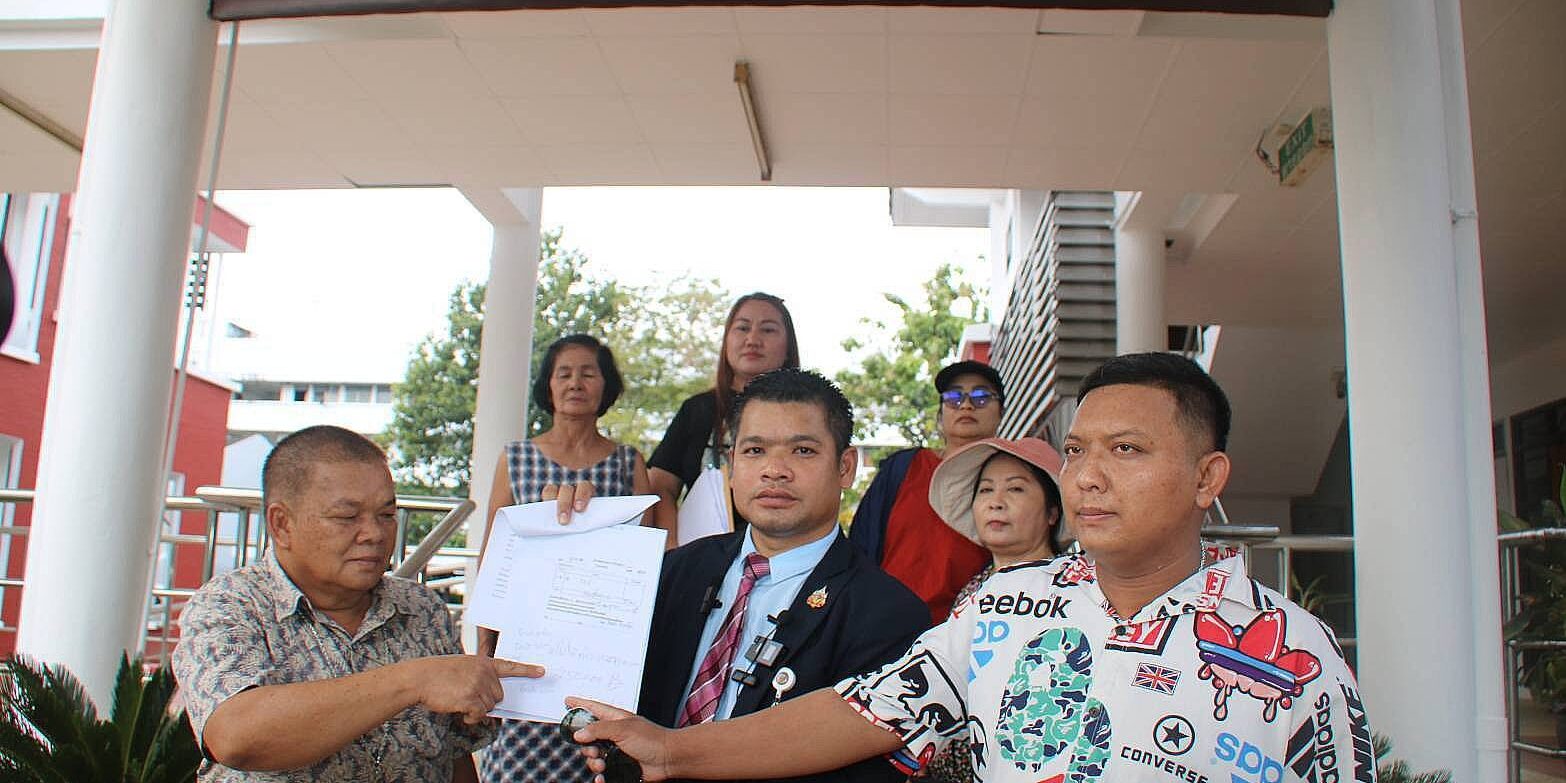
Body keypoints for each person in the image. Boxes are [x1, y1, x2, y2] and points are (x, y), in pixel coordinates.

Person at [568, 353, 1373, 783]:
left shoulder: (1298, 656)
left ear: (1207, 477)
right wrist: (673, 752)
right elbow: (855, 713)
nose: (1089, 476)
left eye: (1127, 450)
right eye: (1078, 451)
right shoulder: (1003, 608)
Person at [171, 425, 541, 782]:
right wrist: (413, 681)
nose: (374, 534)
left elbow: (452, 755)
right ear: (281, 524)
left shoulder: (421, 609)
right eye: (347, 517)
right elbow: (234, 736)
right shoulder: (230, 605)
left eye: (387, 515)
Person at [637, 368, 929, 783]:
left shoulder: (890, 616)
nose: (774, 470)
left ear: (846, 467)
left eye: (803, 451)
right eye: (755, 450)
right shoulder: (670, 573)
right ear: (732, 465)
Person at [477, 334, 666, 783]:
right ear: (548, 384)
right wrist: (485, 645)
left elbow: (646, 563)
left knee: (597, 756)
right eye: (564, 373)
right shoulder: (515, 458)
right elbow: (494, 554)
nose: (575, 383)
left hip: (601, 649)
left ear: (606, 385)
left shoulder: (628, 462)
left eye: (588, 373)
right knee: (516, 756)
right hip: (527, 637)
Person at [917, 437, 1065, 783]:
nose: (996, 502)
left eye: (1015, 489)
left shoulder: (1070, 593)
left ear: (1052, 512)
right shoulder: (973, 590)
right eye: (985, 490)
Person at [849, 360, 1004, 623]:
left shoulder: (1008, 481)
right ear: (940, 415)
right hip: (881, 625)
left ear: (1001, 412)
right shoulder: (904, 467)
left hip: (963, 629)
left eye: (981, 397)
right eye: (954, 397)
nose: (966, 405)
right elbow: (860, 545)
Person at [645, 293, 800, 509]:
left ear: (788, 347)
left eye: (768, 330)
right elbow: (660, 486)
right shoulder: (697, 409)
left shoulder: (807, 413)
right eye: (742, 328)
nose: (752, 340)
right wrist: (670, 531)